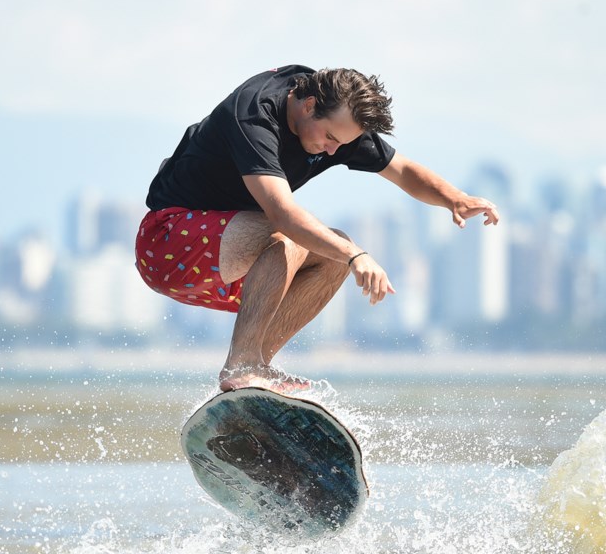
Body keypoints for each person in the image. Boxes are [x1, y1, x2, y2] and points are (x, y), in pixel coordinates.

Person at [136, 65, 499, 394]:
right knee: (302, 238)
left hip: (228, 262)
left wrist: (455, 198)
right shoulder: (254, 114)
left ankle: (257, 364)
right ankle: (242, 365)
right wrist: (358, 255)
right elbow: (282, 214)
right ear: (308, 105)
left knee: (333, 252)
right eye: (329, 138)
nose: (332, 151)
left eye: (340, 143)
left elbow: (400, 169)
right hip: (166, 244)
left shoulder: (336, 121)